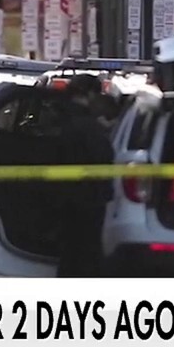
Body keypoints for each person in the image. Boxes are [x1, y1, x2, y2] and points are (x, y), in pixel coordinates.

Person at [55, 74, 116, 276]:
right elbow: (104, 157)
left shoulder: (57, 118)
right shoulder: (89, 126)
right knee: (87, 253)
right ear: (89, 94)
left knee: (69, 253)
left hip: (65, 198)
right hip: (89, 199)